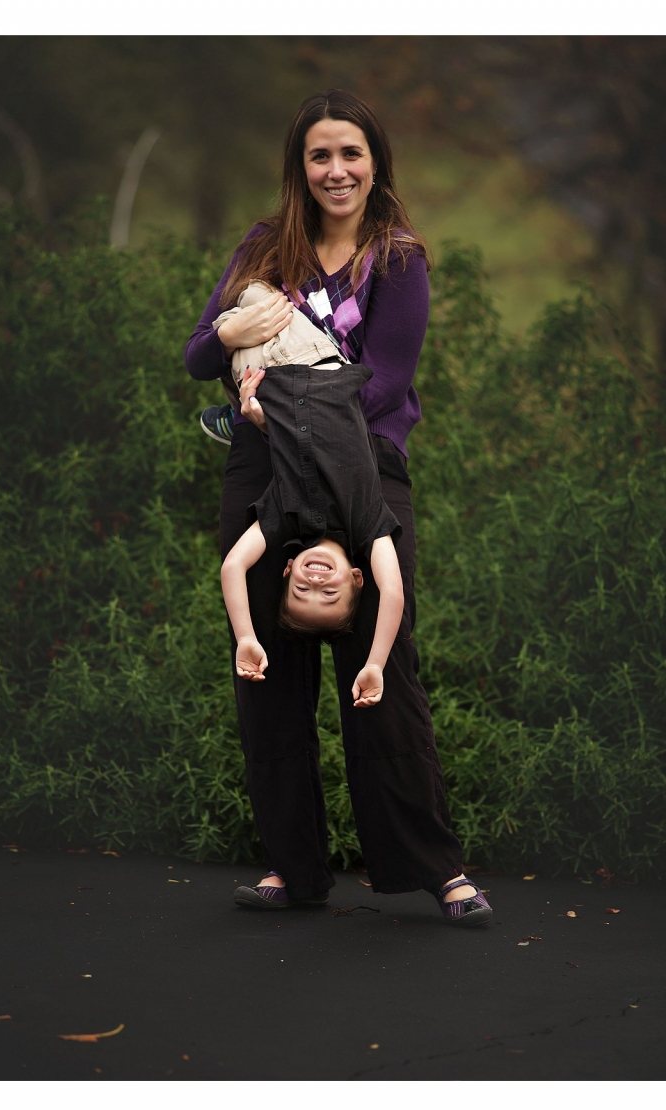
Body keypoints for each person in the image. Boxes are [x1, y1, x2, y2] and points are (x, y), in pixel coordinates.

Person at [184, 88, 492, 926]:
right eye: (320, 155)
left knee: (383, 666)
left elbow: (383, 383)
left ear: (376, 163)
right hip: (262, 466)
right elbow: (198, 354)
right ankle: (294, 867)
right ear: (300, 166)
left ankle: (435, 868)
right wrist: (233, 338)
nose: (336, 170)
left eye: (351, 153)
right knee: (266, 670)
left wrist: (282, 407)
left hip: (364, 466)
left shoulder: (398, 260)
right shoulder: (264, 247)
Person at [219, 356, 405, 706]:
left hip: (271, 370)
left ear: (288, 569)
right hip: (323, 364)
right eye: (330, 594)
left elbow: (233, 566)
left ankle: (228, 415)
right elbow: (393, 591)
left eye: (301, 590)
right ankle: (226, 416)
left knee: (218, 337)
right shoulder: (368, 524)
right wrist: (375, 664)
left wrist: (245, 637)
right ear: (357, 578)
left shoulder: (282, 518)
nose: (316, 583)